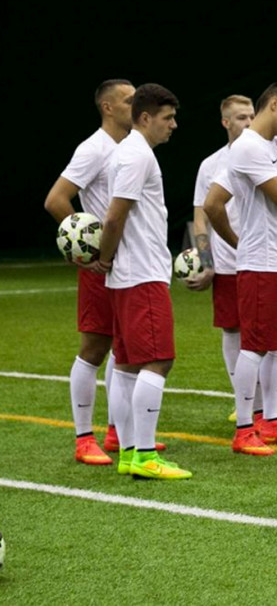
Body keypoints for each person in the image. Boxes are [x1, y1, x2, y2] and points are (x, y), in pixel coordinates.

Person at [206, 82, 277, 456]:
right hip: (261, 263)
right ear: (273, 104)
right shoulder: (247, 147)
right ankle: (244, 429)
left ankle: (272, 421)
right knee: (254, 346)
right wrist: (238, 243)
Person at [95, 83, 191, 479]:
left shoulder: (128, 153)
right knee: (158, 360)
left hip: (129, 275)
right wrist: (105, 256)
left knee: (129, 365)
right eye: (167, 118)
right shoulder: (136, 156)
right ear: (146, 117)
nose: (174, 125)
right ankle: (146, 455)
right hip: (142, 274)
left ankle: (131, 453)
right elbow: (115, 216)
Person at [43, 79, 137, 465]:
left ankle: (117, 432)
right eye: (130, 100)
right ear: (108, 108)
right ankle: (84, 439)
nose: (137, 105)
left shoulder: (131, 148)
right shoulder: (94, 148)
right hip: (101, 265)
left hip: (127, 263)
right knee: (94, 349)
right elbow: (56, 199)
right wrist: (87, 244)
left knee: (124, 346)